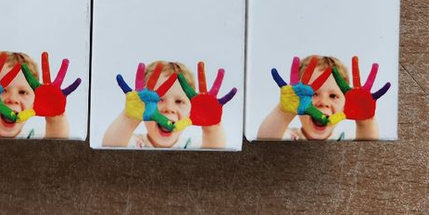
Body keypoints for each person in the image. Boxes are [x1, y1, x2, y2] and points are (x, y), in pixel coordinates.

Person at [102, 60, 235, 149]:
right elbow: (109, 149)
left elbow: (216, 155)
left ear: (191, 110)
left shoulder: (192, 146)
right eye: (159, 99)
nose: (169, 108)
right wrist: (129, 118)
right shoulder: (133, 144)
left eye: (179, 101)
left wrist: (211, 127)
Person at [256, 54, 389, 141]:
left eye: (333, 96)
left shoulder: (346, 140)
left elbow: (369, 152)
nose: (323, 102)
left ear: (345, 104)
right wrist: (283, 113)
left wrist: (365, 121)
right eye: (313, 94)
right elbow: (264, 141)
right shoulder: (288, 137)